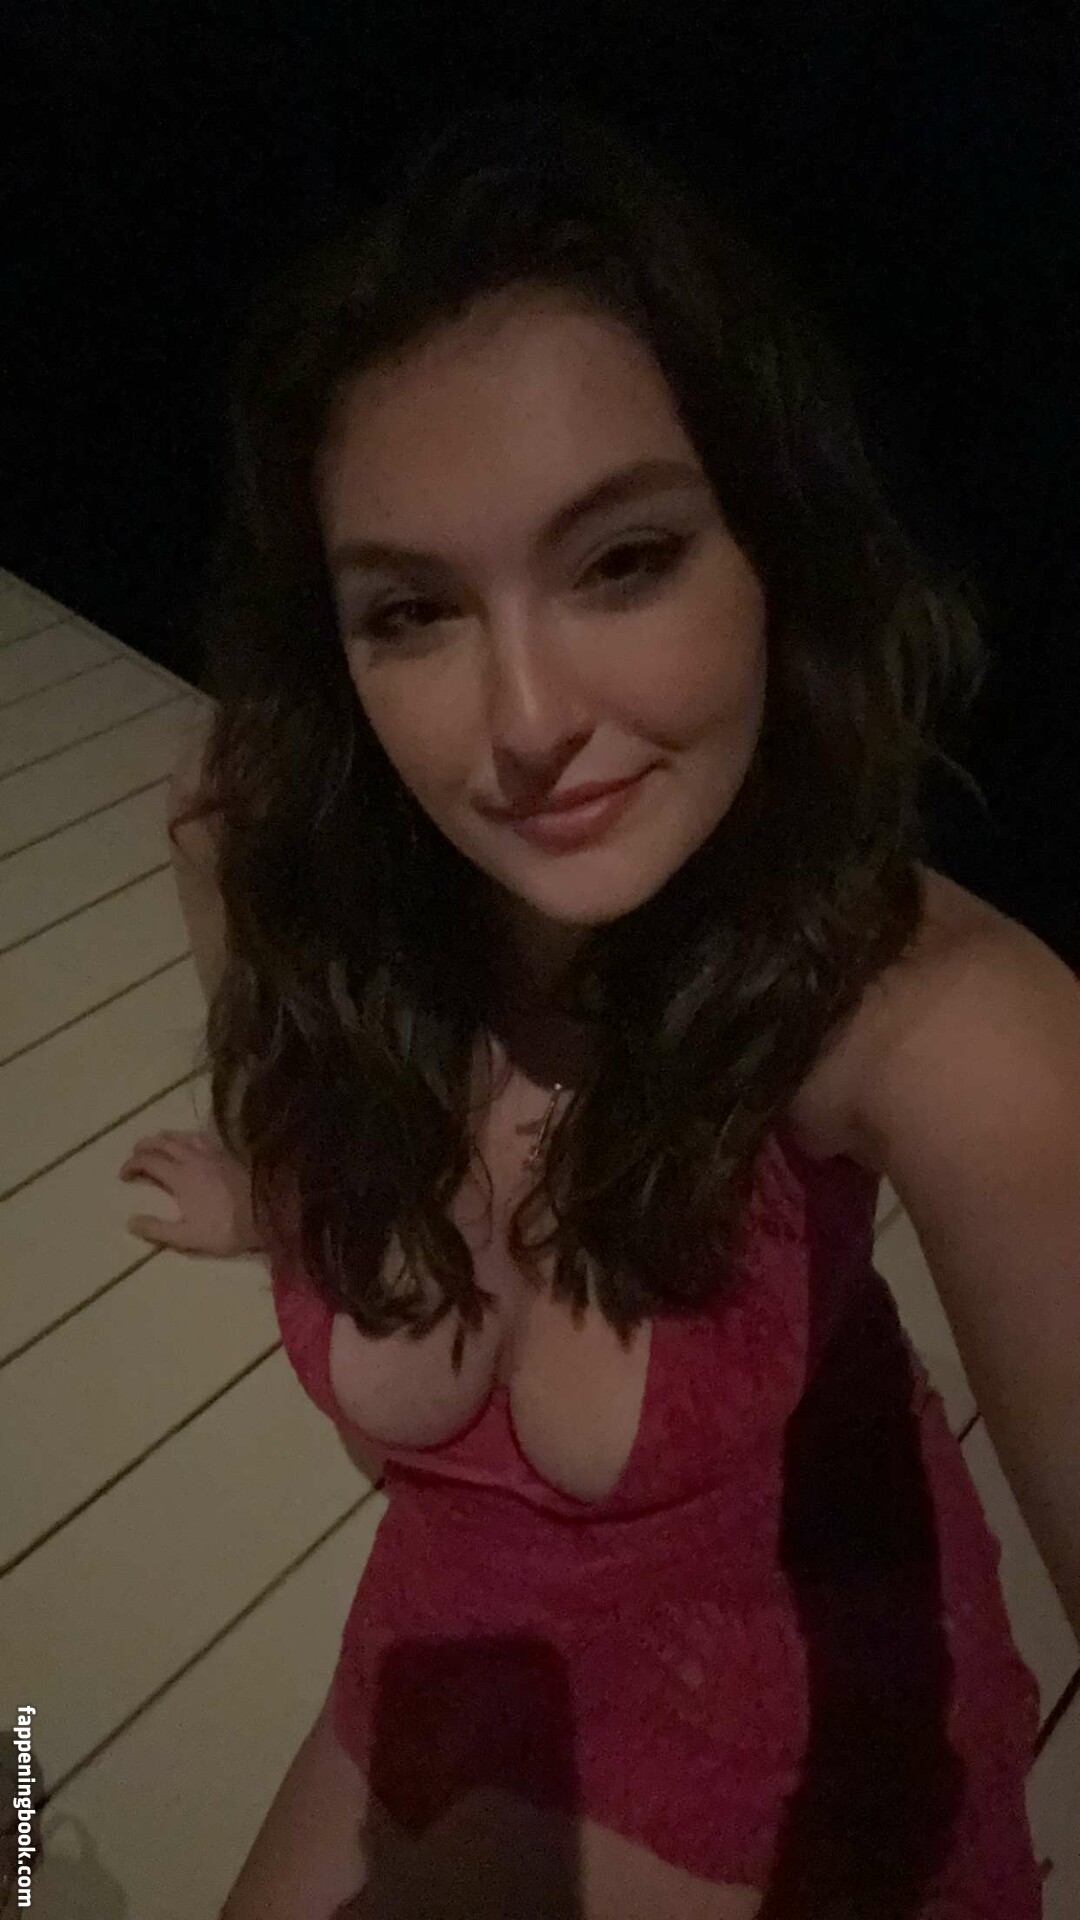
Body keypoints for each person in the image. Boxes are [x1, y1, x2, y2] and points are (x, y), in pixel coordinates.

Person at [117, 98, 1080, 1918]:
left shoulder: (935, 1025)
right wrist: (271, 1190)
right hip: (444, 1641)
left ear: (775, 547)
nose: (527, 722)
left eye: (623, 560)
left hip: (785, 1750)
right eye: (413, 611)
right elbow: (321, 1135)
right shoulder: (294, 871)